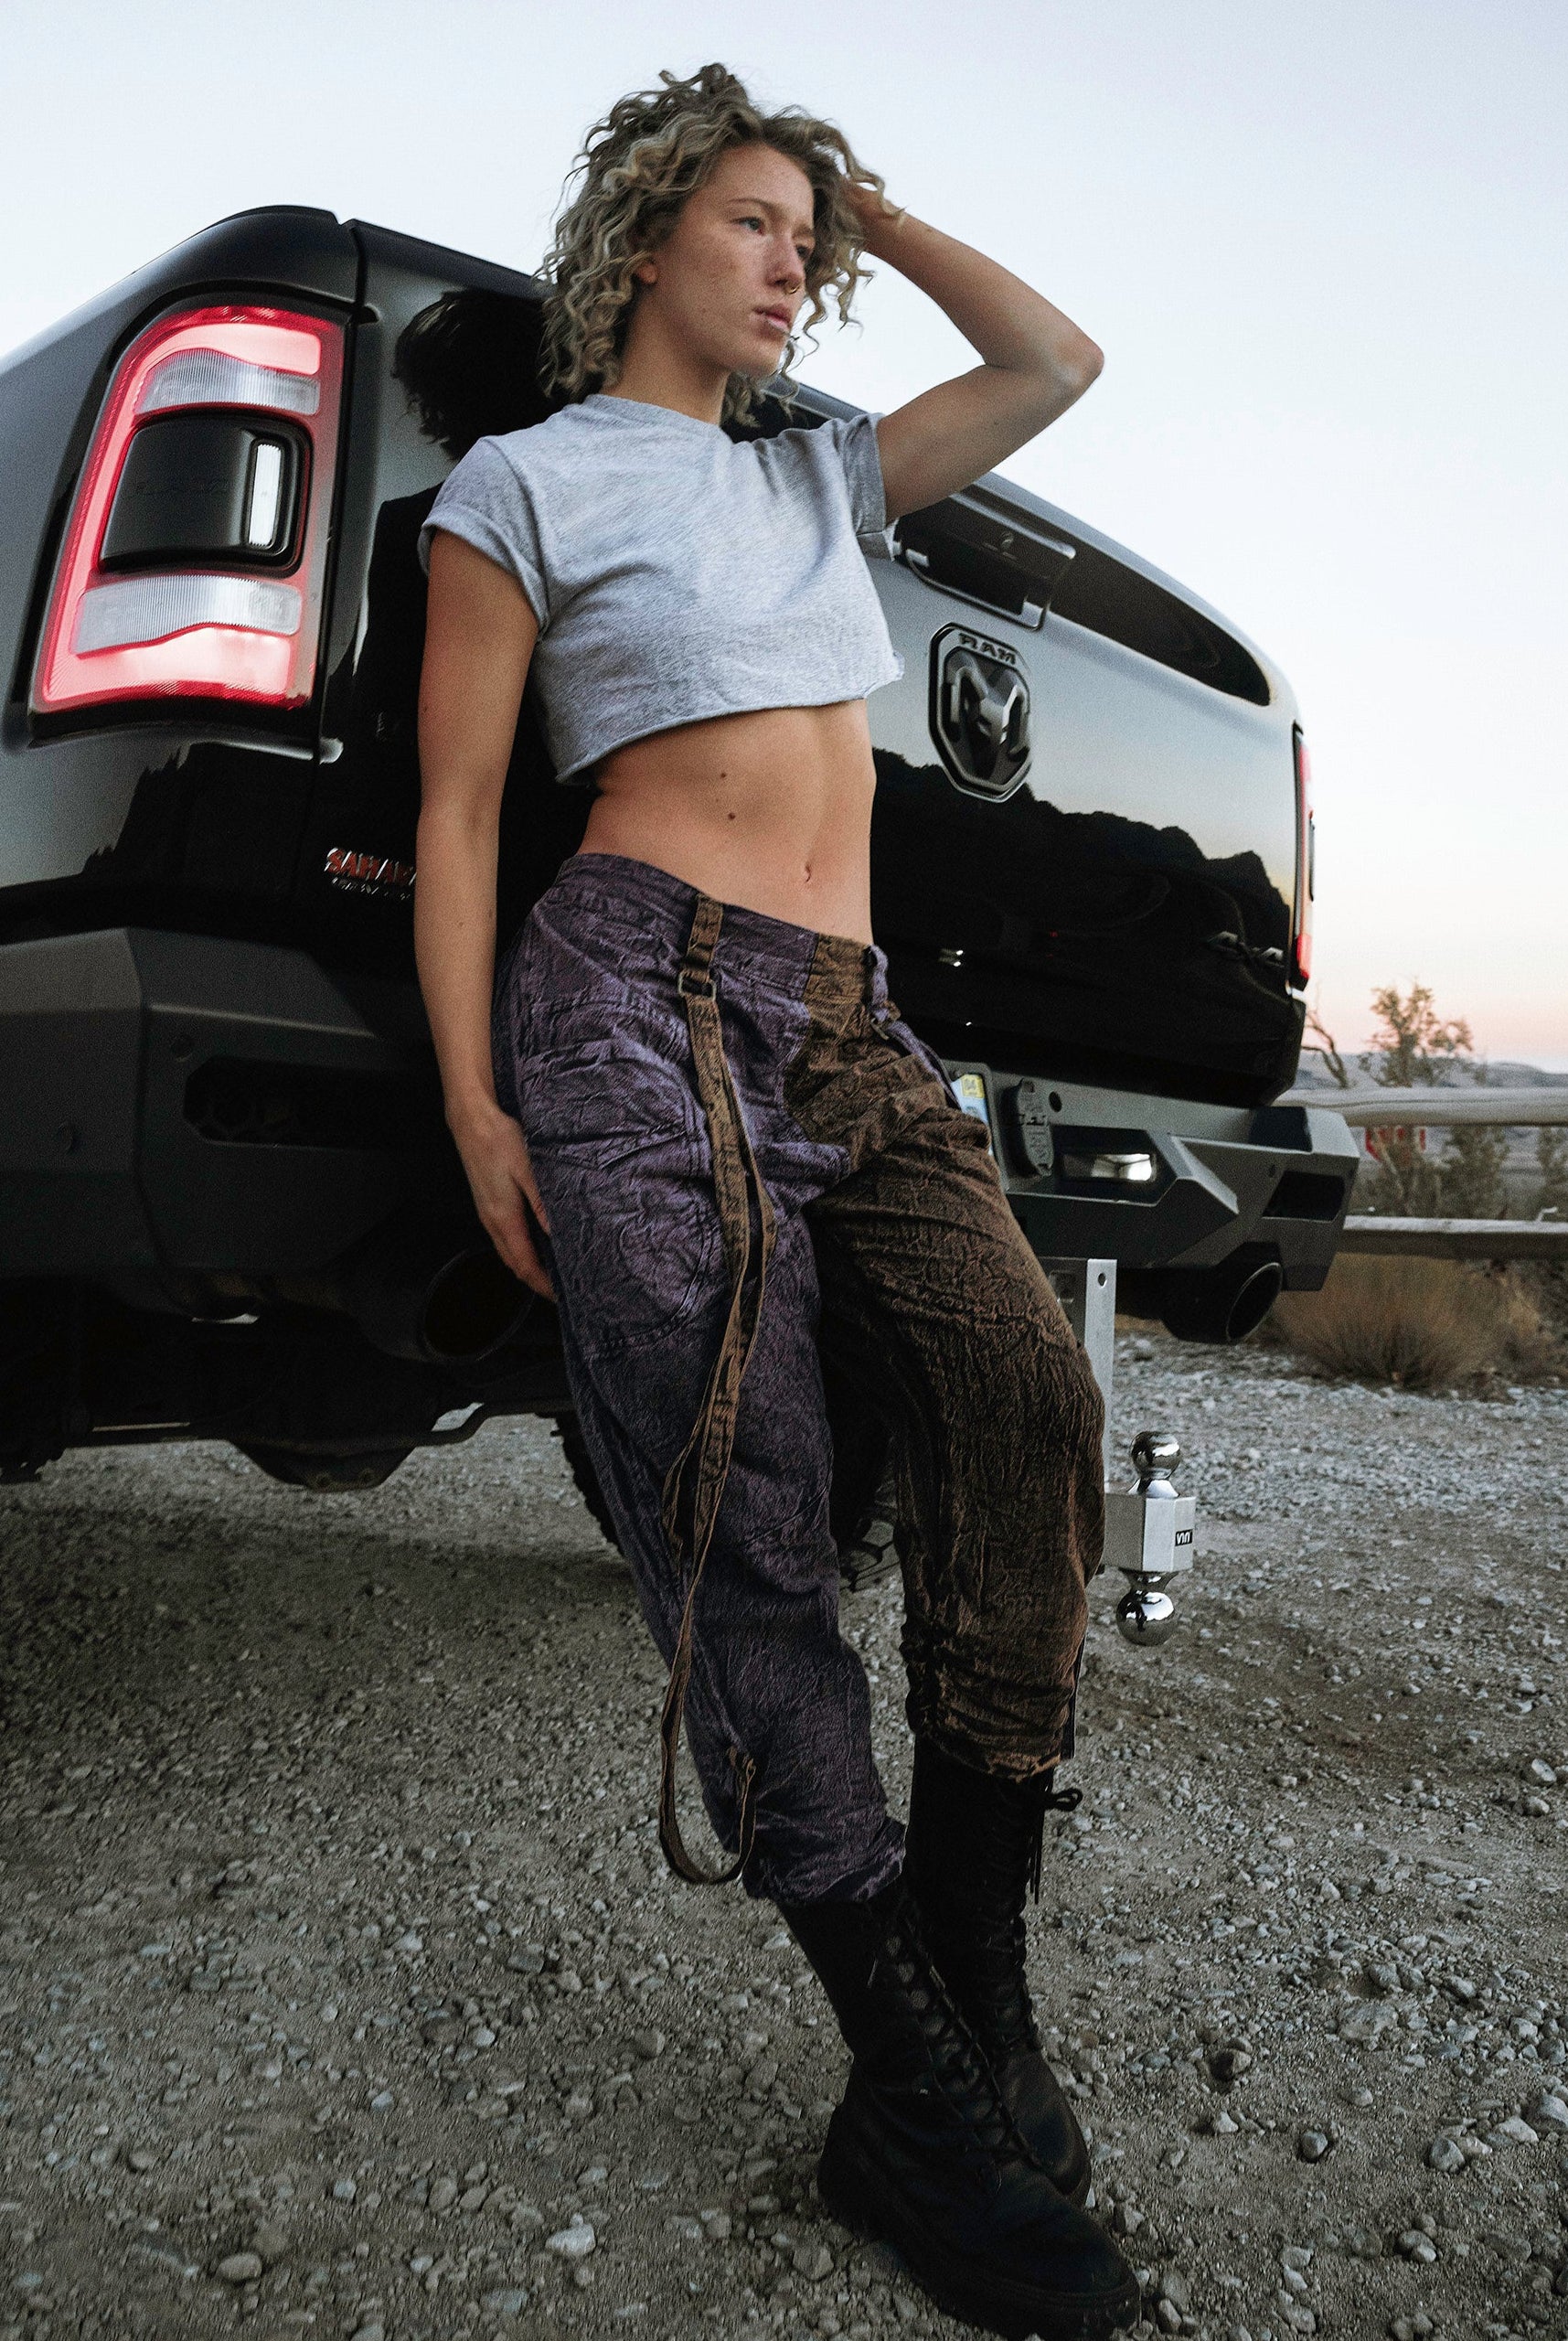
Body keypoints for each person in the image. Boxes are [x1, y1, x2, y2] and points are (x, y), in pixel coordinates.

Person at [415, 61, 1137, 2339]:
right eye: (745, 223)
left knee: (1027, 1390)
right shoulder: (521, 482)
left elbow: (1053, 363)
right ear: (642, 243)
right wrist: (474, 1105)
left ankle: (974, 1982)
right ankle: (913, 2079)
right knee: (749, 1490)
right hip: (632, 1004)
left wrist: (871, 201)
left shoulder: (823, 474)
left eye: (795, 238)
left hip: (850, 1020)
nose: (786, 263)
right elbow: (456, 821)